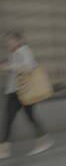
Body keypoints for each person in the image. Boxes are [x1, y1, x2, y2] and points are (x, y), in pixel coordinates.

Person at [0, 30, 54, 159]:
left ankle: (43, 140)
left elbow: (28, 68)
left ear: (19, 40)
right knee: (11, 118)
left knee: (24, 117)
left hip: (24, 91)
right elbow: (17, 71)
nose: (7, 43)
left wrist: (9, 67)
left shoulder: (24, 50)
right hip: (15, 91)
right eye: (6, 41)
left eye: (10, 40)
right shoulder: (13, 53)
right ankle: (4, 149)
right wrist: (7, 67)